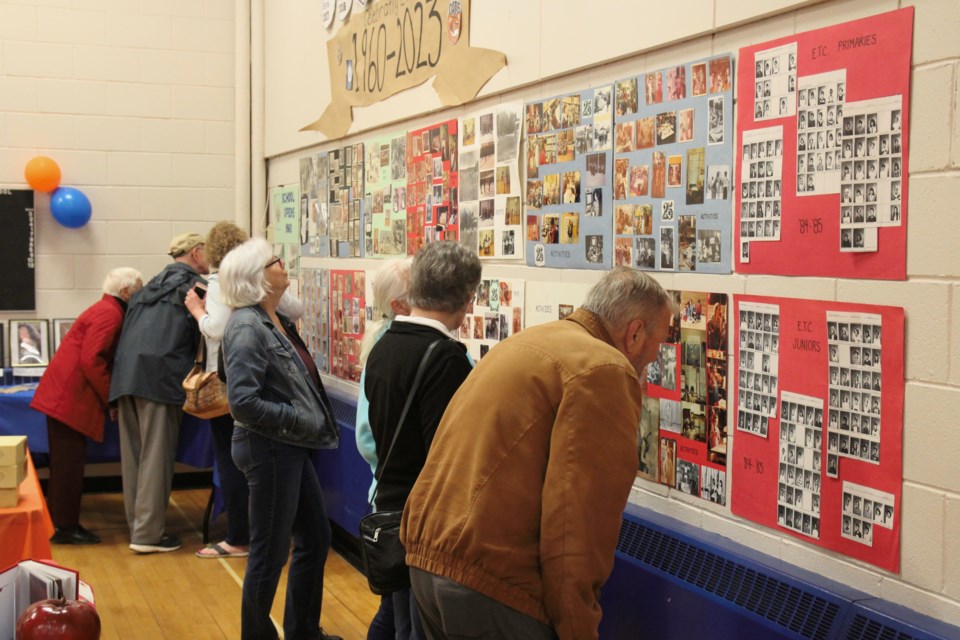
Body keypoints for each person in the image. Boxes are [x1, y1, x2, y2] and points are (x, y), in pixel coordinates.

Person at [401, 267, 674, 640]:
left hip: (428, 564)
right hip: (493, 584)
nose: (654, 359)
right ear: (636, 333)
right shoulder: (605, 370)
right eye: (658, 344)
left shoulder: (528, 342)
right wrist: (577, 629)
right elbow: (576, 525)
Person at [220, 238, 341, 640]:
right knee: (269, 554)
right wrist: (299, 418)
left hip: (286, 445)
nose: (284, 265)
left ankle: (302, 631)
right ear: (258, 277)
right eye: (276, 261)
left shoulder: (276, 318)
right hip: (268, 447)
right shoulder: (245, 327)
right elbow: (243, 402)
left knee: (315, 537)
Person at [364, 241, 482, 640]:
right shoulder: (445, 358)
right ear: (467, 298)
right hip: (424, 527)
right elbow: (444, 458)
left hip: (391, 508)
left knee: (401, 626)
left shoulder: (385, 345)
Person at [184, 222, 305, 559]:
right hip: (263, 387)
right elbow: (296, 309)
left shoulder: (226, 283)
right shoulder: (260, 289)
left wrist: (196, 311)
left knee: (233, 462)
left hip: (229, 383)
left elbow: (218, 328)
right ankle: (265, 537)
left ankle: (240, 537)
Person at [109, 232, 210, 553]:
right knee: (156, 457)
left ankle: (138, 526)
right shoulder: (195, 287)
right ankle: (148, 535)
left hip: (126, 378)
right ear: (196, 253)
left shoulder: (146, 288)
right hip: (160, 378)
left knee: (134, 458)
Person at [30, 267, 143, 545]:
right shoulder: (110, 314)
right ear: (127, 291)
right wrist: (111, 399)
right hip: (69, 398)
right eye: (139, 288)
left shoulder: (105, 309)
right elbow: (92, 360)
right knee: (68, 467)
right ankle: (65, 527)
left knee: (64, 466)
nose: (142, 293)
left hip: (63, 395)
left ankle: (60, 523)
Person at [355, 258, 413, 640]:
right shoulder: (387, 347)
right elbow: (365, 437)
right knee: (396, 608)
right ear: (398, 304)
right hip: (396, 500)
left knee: (395, 606)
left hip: (393, 494)